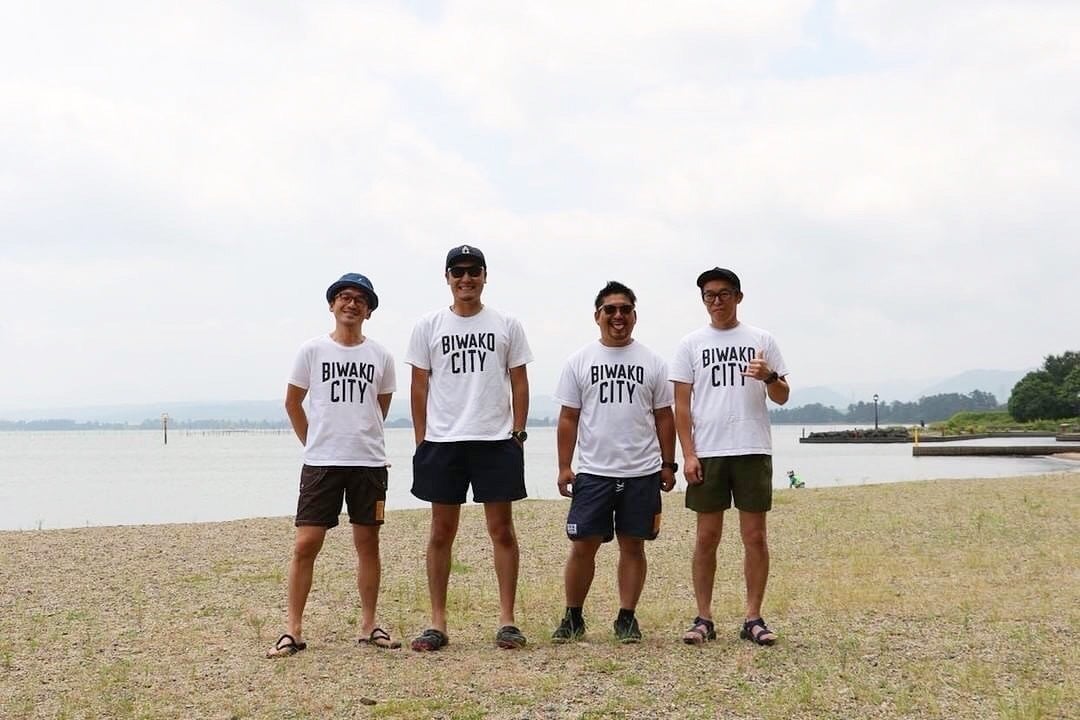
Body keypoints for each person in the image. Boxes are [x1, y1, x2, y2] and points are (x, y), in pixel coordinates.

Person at [405, 245, 533, 651]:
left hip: (495, 439)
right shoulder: (428, 326)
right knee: (441, 532)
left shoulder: (507, 324)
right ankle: (437, 622)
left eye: (473, 271)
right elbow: (419, 386)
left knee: (502, 530)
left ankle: (507, 620)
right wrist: (421, 439)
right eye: (457, 272)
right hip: (443, 441)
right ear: (447, 278)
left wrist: (518, 432)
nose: (466, 279)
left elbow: (519, 381)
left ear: (484, 276)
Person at [267, 272, 400, 658]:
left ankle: (369, 624)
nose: (351, 304)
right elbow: (293, 402)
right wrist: (314, 442)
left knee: (368, 544)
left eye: (360, 299)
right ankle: (292, 629)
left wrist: (360, 437)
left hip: (368, 463)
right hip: (321, 463)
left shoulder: (381, 356)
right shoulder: (312, 351)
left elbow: (379, 408)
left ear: (369, 311)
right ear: (332, 305)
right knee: (306, 543)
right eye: (344, 297)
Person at [550, 281, 677, 644]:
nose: (618, 316)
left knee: (633, 546)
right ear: (598, 316)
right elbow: (569, 417)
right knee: (583, 545)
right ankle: (573, 617)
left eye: (625, 309)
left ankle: (626, 617)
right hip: (594, 472)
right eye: (610, 309)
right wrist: (564, 466)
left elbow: (664, 416)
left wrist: (668, 464)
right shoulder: (579, 361)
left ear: (635, 315)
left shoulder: (653, 362)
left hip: (641, 471)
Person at [670, 267, 790, 647]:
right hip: (709, 451)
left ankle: (753, 617)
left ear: (738, 296)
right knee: (706, 537)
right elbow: (681, 405)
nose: (717, 301)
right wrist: (688, 454)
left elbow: (783, 396)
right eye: (709, 295)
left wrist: (769, 376)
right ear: (703, 300)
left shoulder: (761, 339)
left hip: (752, 447)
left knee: (755, 536)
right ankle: (703, 617)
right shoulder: (690, 344)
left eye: (724, 294)